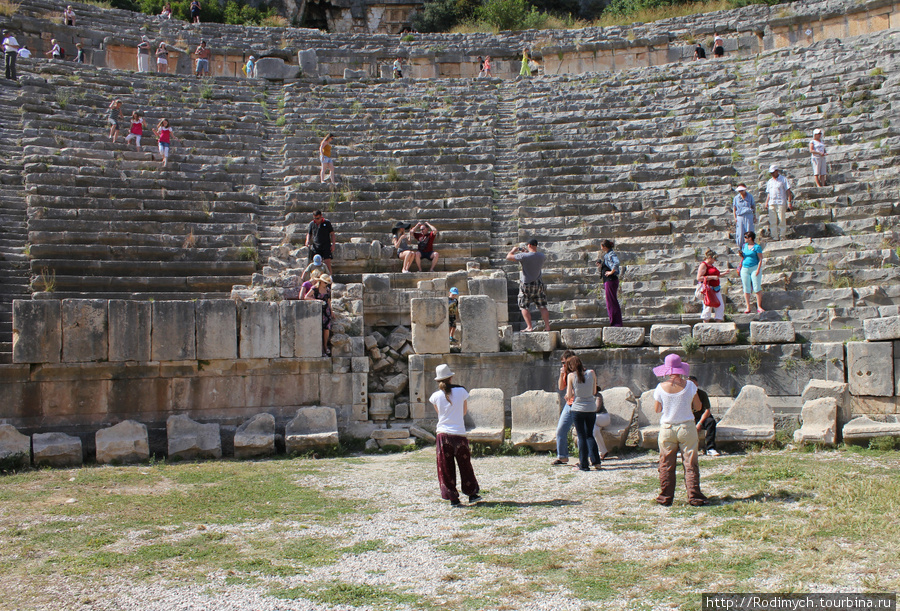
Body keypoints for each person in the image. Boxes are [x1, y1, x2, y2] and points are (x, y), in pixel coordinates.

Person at [652, 354, 708, 507]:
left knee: (666, 463)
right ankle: (694, 496)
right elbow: (698, 407)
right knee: (690, 462)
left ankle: (665, 497)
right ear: (681, 369)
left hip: (667, 428)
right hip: (686, 427)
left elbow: (657, 409)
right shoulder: (690, 385)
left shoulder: (660, 388)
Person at [429, 364, 482, 507]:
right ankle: (472, 494)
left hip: (443, 435)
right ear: (451, 378)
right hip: (459, 433)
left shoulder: (435, 396)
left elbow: (439, 414)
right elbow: (464, 411)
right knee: (465, 465)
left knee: (445, 468)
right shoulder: (461, 391)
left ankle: (453, 498)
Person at [565, 356, 602, 472]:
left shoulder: (571, 376)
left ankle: (584, 464)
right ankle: (596, 462)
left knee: (581, 436)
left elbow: (569, 395)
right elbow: (594, 391)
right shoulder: (591, 373)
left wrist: (569, 395)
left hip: (578, 409)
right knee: (590, 435)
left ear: (571, 366)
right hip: (591, 408)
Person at [506, 239, 550, 332]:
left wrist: (513, 250)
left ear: (529, 245)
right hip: (538, 283)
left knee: (523, 305)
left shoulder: (523, 256)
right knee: (542, 306)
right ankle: (547, 326)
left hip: (526, 284)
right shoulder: (542, 256)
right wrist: (526, 252)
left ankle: (529, 327)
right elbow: (533, 257)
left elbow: (509, 257)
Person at [551, 350, 577, 466]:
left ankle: (586, 457)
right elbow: (561, 387)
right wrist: (562, 374)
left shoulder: (579, 372)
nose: (563, 365)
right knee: (560, 430)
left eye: (565, 363)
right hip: (569, 404)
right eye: (562, 363)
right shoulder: (566, 373)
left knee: (582, 433)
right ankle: (562, 457)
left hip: (578, 404)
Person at [688, 376, 719, 457]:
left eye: (692, 383)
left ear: (696, 384)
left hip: (701, 417)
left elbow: (707, 411)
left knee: (711, 422)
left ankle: (710, 448)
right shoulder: (684, 395)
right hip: (689, 418)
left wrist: (700, 423)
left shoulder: (702, 394)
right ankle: (682, 449)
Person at [696, 249, 730, 323]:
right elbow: (699, 278)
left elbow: (716, 275)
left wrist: (724, 273)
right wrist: (712, 277)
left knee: (720, 305)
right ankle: (705, 323)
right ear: (709, 257)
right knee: (708, 305)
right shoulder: (703, 265)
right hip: (708, 289)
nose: (715, 260)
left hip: (715, 289)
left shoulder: (711, 265)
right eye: (714, 259)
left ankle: (718, 322)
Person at [303, 273, 333, 356]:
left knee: (326, 329)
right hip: (317, 311)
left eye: (327, 283)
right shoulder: (314, 289)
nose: (326, 284)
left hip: (326, 311)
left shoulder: (327, 290)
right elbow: (306, 297)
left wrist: (331, 311)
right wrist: (316, 300)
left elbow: (329, 301)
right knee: (318, 329)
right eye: (325, 282)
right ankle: (320, 349)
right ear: (321, 282)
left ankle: (325, 346)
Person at [597, 239, 622, 327]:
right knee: (610, 302)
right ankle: (615, 322)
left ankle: (616, 323)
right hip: (608, 281)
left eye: (601, 246)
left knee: (611, 302)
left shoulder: (611, 254)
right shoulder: (607, 255)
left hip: (610, 280)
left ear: (604, 246)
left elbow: (616, 262)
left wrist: (611, 272)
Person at [764, 164, 793, 241]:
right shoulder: (770, 181)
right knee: (773, 220)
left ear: (777, 171)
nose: (772, 174)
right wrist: (766, 202)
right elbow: (769, 193)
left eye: (773, 172)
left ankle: (782, 235)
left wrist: (789, 202)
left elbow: (788, 191)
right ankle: (775, 236)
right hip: (772, 202)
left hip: (781, 201)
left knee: (781, 219)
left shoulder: (783, 179)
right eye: (771, 173)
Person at [740, 231, 764, 314]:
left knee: (756, 287)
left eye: (745, 237)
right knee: (746, 288)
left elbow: (760, 258)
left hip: (754, 267)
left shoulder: (757, 247)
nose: (744, 239)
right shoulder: (744, 246)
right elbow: (744, 256)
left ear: (750, 238)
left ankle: (759, 306)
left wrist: (758, 269)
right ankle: (748, 307)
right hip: (745, 268)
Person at [306, 210, 335, 274]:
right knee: (316, 265)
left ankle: (329, 279)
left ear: (321, 216)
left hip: (326, 245)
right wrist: (307, 240)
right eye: (314, 218)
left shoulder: (327, 223)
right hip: (316, 246)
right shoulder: (312, 224)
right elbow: (309, 234)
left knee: (327, 264)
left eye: (318, 218)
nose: (316, 220)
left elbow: (332, 234)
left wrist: (333, 245)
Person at [732, 184, 756, 250]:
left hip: (748, 215)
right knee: (740, 232)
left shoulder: (750, 196)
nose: (741, 192)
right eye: (739, 191)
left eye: (742, 190)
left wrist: (754, 216)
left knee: (749, 231)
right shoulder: (736, 198)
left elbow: (753, 206)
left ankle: (750, 246)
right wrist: (735, 217)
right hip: (740, 216)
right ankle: (740, 247)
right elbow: (734, 208)